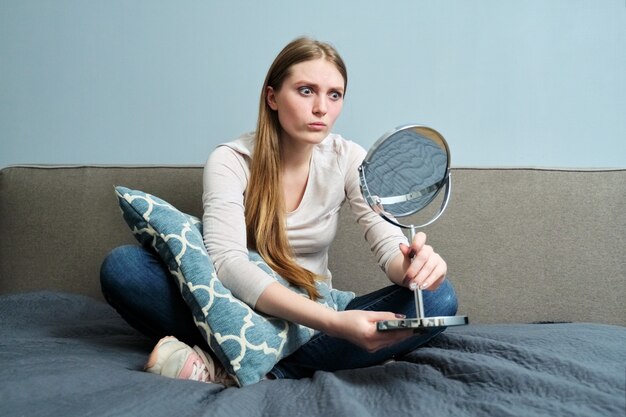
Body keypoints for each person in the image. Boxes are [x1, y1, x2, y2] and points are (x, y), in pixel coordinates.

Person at [100, 36, 458, 385]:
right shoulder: (230, 160)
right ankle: (282, 363)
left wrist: (415, 269)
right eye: (306, 91)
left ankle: (251, 368)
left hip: (313, 310)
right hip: (240, 310)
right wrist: (332, 325)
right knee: (124, 267)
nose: (322, 108)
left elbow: (387, 247)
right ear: (272, 97)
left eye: (334, 95)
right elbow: (228, 264)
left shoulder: (347, 158)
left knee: (439, 297)